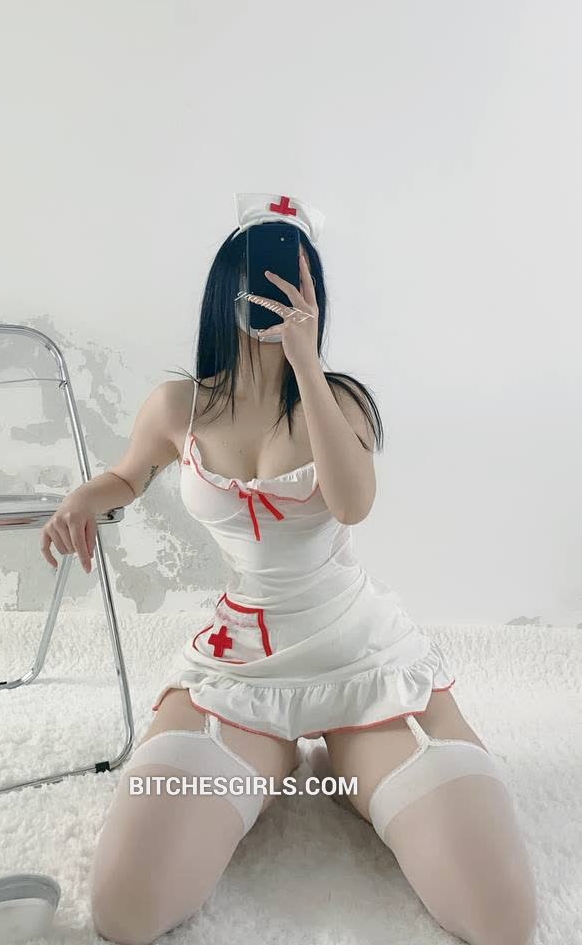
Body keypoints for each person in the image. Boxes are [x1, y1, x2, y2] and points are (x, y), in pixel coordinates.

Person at [43, 193, 538, 945]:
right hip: (238, 667)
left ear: (316, 294)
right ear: (227, 287)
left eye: (295, 278)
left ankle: (344, 764)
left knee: (499, 918)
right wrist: (86, 495)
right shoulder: (179, 405)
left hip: (360, 657)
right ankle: (268, 768)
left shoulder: (339, 403)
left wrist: (305, 362)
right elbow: (128, 475)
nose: (276, 293)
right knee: (125, 910)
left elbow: (352, 503)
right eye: (261, 276)